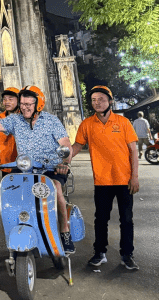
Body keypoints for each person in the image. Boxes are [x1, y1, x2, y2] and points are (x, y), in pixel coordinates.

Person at [0, 82, 74, 252]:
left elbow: (66, 145)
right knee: (11, 190)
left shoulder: (51, 121)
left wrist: (65, 163)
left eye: (28, 104)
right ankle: (19, 227)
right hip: (25, 168)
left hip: (51, 168)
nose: (24, 108)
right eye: (22, 104)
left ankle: (64, 231)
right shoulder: (15, 120)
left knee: (56, 188)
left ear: (38, 104)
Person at [70, 85, 140, 270]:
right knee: (101, 219)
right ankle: (99, 252)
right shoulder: (87, 124)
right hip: (101, 181)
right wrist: (63, 157)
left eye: (101, 99)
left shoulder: (123, 122)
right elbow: (77, 146)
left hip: (124, 180)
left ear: (110, 101)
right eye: (93, 100)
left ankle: (127, 254)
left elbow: (133, 150)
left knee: (126, 219)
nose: (97, 103)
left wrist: (135, 177)